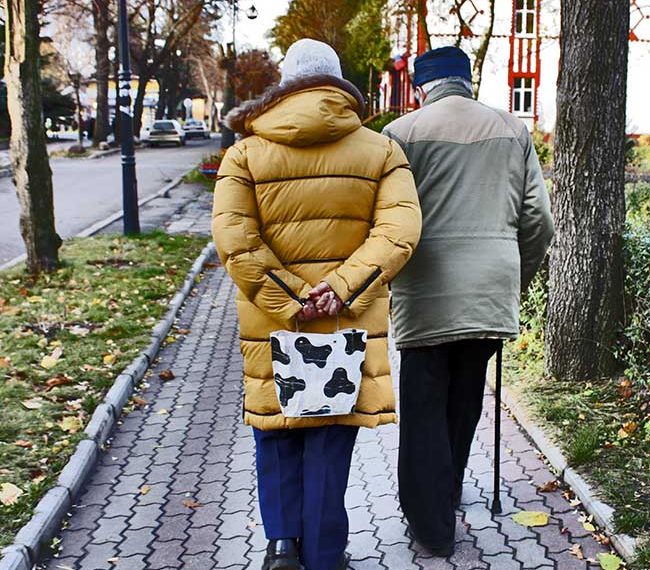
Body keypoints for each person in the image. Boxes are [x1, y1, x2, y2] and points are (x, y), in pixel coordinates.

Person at [212, 39, 421, 570]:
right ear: (338, 82)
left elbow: (235, 237)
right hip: (345, 322)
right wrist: (342, 287)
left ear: (285, 83)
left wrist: (288, 297)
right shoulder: (380, 150)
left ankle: (282, 545)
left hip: (273, 322)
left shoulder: (245, 152)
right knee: (330, 431)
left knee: (277, 427)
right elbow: (399, 229)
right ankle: (327, 553)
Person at [382, 46, 555, 556]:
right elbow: (539, 221)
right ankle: (450, 486)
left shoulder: (401, 133)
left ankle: (432, 525)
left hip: (426, 290)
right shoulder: (512, 129)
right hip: (490, 288)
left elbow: (388, 218)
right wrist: (513, 277)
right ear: (467, 81)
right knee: (464, 397)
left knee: (423, 405)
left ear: (421, 87)